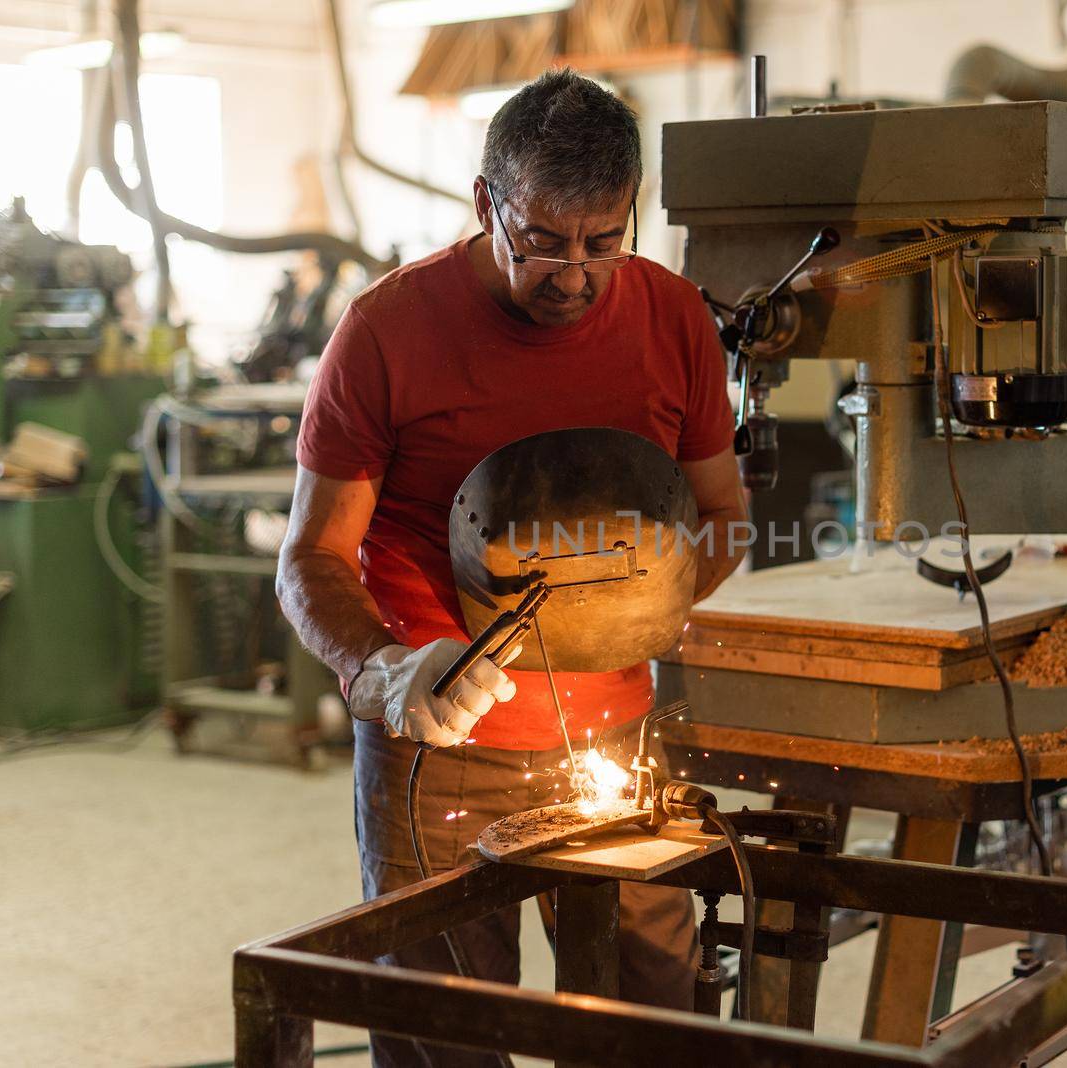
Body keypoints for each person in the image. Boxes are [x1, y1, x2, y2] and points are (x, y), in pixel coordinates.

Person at [276, 69, 746, 1067]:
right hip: (437, 744)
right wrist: (382, 669)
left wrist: (652, 599)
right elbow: (310, 557)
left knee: (647, 1027)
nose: (573, 275)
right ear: (486, 202)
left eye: (602, 243)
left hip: (615, 736)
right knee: (444, 1033)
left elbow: (723, 514)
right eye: (541, 240)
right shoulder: (388, 330)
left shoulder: (672, 321)